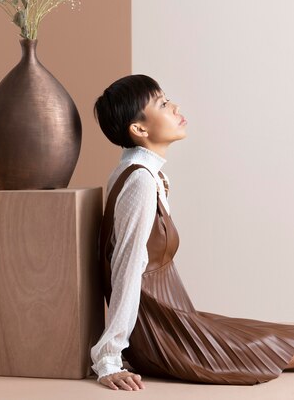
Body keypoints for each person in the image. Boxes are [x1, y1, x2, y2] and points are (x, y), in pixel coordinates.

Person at [90, 74, 294, 391]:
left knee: (279, 335)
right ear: (139, 129)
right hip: (162, 332)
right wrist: (108, 358)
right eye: (162, 103)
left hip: (176, 317)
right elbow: (126, 269)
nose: (175, 107)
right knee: (273, 344)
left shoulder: (140, 171)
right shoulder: (140, 181)